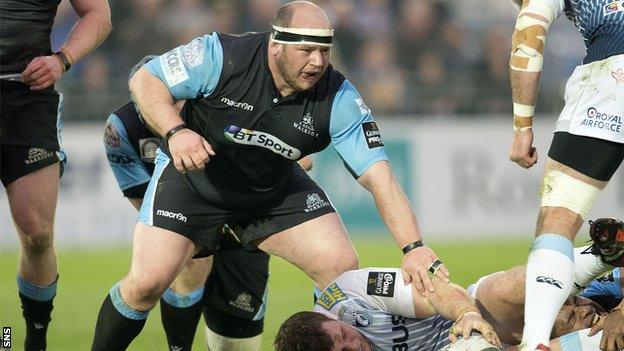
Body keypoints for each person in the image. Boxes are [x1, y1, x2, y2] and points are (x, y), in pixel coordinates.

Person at [91, 1, 448, 349]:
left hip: (271, 193)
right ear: (276, 46)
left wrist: (414, 248)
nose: (318, 61)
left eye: (325, 50)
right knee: (146, 284)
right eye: (307, 50)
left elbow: (379, 177)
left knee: (341, 269)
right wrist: (176, 132)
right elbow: (145, 79)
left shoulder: (338, 97)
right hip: (194, 184)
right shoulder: (221, 55)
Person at [102, 55, 312, 350]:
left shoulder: (215, 106)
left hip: (241, 223)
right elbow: (139, 193)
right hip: (180, 214)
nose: (170, 108)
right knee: (183, 268)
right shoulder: (121, 129)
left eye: (175, 98)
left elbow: (299, 157)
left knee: (237, 343)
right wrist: (183, 228)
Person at [507, 0, 624, 348]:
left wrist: (522, 128)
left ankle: (535, 341)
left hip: (612, 77)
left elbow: (528, 33)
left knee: (557, 219)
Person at [0, 1, 111, 350]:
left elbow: (99, 15)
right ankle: (2, 340)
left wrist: (61, 60)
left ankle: (36, 340)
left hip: (25, 97)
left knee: (37, 233)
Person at [275, 251, 619, 351]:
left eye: (345, 335)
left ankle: (602, 254)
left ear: (331, 319)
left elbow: (433, 291)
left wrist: (466, 314)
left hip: (467, 316)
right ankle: (607, 338)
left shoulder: (347, 295)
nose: (356, 344)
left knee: (507, 287)